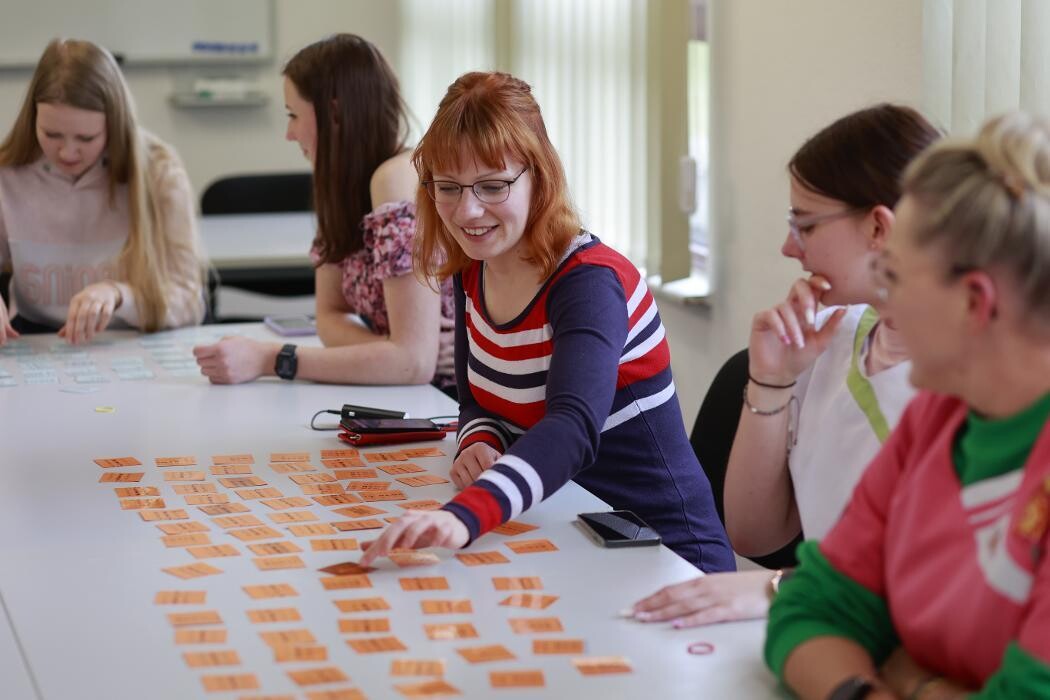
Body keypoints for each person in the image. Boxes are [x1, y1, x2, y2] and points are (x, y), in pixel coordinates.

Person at [359, 71, 734, 572]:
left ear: (540, 176)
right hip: (560, 533)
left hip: (662, 555)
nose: (467, 211)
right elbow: (477, 397)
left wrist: (468, 515)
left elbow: (574, 426)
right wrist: (480, 439)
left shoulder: (590, 282)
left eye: (493, 186)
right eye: (447, 187)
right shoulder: (474, 266)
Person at [766, 112, 1050, 699]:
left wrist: (907, 674)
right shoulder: (936, 421)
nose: (882, 304)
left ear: (974, 302)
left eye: (896, 276)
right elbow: (808, 611)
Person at [630, 105, 941, 627]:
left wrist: (781, 586)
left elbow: (941, 577)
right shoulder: (833, 335)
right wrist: (771, 379)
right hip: (831, 623)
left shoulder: (973, 377)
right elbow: (754, 536)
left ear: (879, 228)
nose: (788, 246)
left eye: (806, 224)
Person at [192, 34, 455, 392]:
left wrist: (271, 359)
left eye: (293, 115)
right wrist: (391, 354)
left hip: (453, 404)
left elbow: (414, 365)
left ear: (333, 114)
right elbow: (330, 318)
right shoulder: (342, 186)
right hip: (410, 392)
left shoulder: (394, 178)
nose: (289, 133)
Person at [0, 38, 205, 345]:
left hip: (132, 340)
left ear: (114, 124)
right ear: (32, 120)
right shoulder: (8, 173)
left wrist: (119, 295)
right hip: (38, 340)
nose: (68, 152)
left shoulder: (158, 171)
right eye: (51, 134)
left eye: (86, 137)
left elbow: (190, 301)